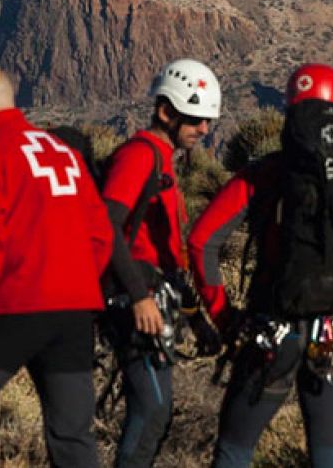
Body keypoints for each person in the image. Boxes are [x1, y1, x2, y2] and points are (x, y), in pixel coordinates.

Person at [188, 63, 333, 468]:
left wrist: (225, 317)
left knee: (235, 447)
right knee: (328, 455)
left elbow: (202, 240)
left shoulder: (263, 174)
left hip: (271, 331)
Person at [0, 64, 113, 468]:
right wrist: (81, 284)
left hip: (15, 305)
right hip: (75, 311)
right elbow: (100, 234)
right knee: (72, 434)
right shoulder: (63, 153)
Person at [100, 58, 224, 468]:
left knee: (156, 411)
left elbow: (170, 256)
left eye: (208, 121)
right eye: (195, 119)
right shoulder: (138, 156)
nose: (204, 130)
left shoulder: (162, 160)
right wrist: (138, 297)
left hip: (155, 300)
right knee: (152, 408)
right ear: (166, 111)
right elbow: (107, 227)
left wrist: (197, 318)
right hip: (133, 304)